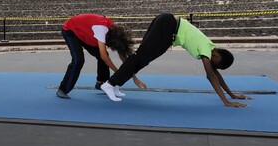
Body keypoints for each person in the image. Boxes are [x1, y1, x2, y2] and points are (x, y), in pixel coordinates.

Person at [100, 13, 252, 108]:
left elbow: (215, 74)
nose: (213, 66)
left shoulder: (209, 47)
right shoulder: (207, 50)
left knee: (141, 59)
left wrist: (232, 95)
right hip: (167, 28)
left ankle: (115, 84)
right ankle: (110, 84)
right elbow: (210, 75)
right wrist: (226, 101)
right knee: (139, 58)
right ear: (216, 57)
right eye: (216, 64)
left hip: (166, 24)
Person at [56, 13, 144, 99]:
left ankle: (101, 82)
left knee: (102, 56)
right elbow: (104, 57)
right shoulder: (101, 30)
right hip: (71, 31)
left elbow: (124, 58)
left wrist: (133, 77)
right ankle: (63, 89)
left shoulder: (116, 32)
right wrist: (119, 73)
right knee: (78, 60)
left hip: (87, 34)